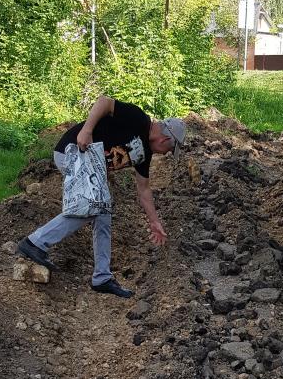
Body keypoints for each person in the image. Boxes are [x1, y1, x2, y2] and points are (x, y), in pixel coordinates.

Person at [15, 95, 186, 298]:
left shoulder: (144, 154)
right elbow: (104, 102)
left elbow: (144, 189)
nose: (166, 154)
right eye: (170, 149)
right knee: (92, 206)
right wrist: (87, 130)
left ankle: (102, 278)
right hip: (73, 151)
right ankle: (35, 243)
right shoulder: (139, 119)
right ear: (165, 138)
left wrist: (155, 222)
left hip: (89, 164)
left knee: (102, 214)